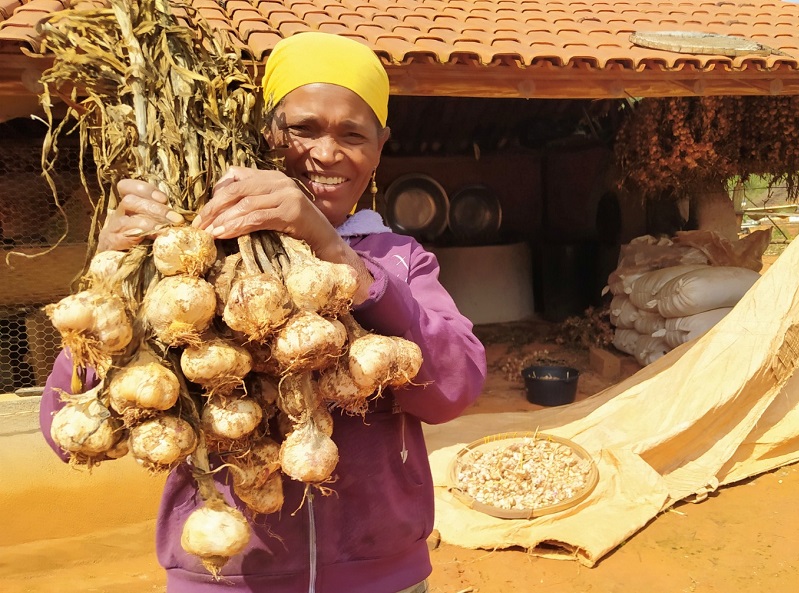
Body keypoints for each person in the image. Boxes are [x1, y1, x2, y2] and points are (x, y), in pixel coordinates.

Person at [39, 31, 487, 593]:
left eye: (353, 134)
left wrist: (340, 258)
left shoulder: (395, 259)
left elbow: (455, 390)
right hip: (228, 575)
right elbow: (67, 436)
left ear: (381, 145)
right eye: (302, 129)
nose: (326, 153)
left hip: (382, 579)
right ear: (265, 132)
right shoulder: (189, 263)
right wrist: (113, 276)